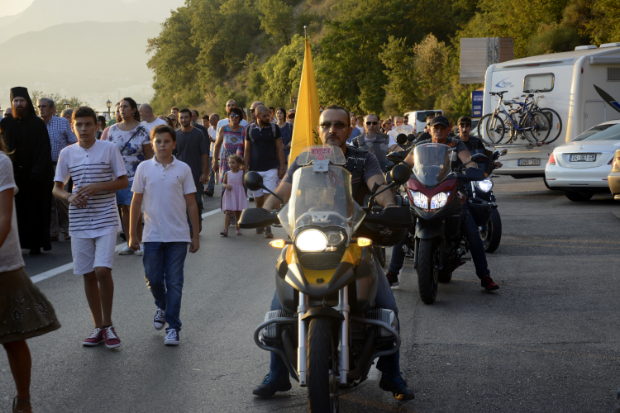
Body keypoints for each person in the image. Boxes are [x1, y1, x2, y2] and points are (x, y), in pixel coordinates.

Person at [252, 105, 415, 401]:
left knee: (387, 306)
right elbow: (284, 191)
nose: (332, 131)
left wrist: (391, 208)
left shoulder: (363, 159)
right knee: (281, 304)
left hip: (352, 241)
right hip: (305, 240)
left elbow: (379, 187)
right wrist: (262, 214)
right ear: (319, 128)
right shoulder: (303, 160)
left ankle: (392, 374)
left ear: (350, 127)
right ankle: (277, 375)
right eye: (326, 125)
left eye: (339, 125)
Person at [392, 115, 500, 291]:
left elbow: (467, 159)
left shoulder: (457, 145)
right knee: (403, 225)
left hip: (452, 192)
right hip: (424, 192)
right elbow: (406, 164)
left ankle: (485, 276)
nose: (439, 130)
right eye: (435, 128)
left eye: (442, 127)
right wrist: (397, 172)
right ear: (429, 130)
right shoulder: (420, 146)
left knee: (472, 232)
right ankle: (392, 272)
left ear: (449, 129)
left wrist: (471, 167)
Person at [52, 106, 129, 349]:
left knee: (102, 271)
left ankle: (108, 325)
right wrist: (69, 197)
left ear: (97, 126)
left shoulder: (109, 148)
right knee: (87, 274)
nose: (84, 129)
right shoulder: (67, 153)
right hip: (79, 220)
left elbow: (123, 181)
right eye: (79, 125)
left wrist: (98, 187)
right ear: (73, 127)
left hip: (105, 218)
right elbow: (56, 187)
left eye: (88, 124)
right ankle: (98, 327)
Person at [0, 131, 61, 413]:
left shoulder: (2, 163)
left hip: (3, 263)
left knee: (12, 337)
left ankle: (23, 401)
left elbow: (4, 219)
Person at [129, 124, 200, 346]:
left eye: (166, 141)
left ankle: (173, 327)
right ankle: (162, 305)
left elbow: (191, 203)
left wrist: (195, 235)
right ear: (152, 144)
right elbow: (136, 202)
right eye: (158, 141)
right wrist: (132, 233)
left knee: (175, 282)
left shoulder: (183, 169)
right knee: (153, 278)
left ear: (174, 144)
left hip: (178, 236)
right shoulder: (143, 168)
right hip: (151, 236)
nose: (162, 145)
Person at [1, 87, 54, 255]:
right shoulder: (5, 124)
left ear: (27, 102)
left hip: (33, 179)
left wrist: (36, 173)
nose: (18, 104)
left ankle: (35, 244)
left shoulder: (37, 124)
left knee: (34, 211)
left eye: (21, 100)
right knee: (12, 212)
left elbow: (43, 149)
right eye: (15, 101)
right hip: (11, 178)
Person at [105, 98, 154, 256]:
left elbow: (149, 156)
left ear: (134, 110)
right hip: (118, 176)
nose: (121, 110)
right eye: (120, 107)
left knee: (135, 209)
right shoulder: (112, 130)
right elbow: (106, 153)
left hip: (136, 175)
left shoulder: (142, 130)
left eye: (125, 107)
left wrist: (149, 176)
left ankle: (139, 242)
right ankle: (129, 242)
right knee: (123, 209)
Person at [37, 97, 78, 243]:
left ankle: (68, 229)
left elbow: (74, 141)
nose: (41, 109)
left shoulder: (62, 123)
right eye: (39, 106)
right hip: (43, 167)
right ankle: (52, 232)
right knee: (49, 200)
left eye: (44, 106)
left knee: (62, 198)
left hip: (60, 166)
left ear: (52, 109)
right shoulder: (36, 124)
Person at [244, 105, 285, 239]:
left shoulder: (274, 128)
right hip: (255, 169)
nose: (268, 118)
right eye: (264, 116)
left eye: (268, 115)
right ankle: (259, 221)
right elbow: (247, 150)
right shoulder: (249, 129)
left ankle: (267, 226)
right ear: (257, 116)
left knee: (268, 197)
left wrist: (282, 167)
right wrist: (245, 168)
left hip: (271, 167)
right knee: (258, 200)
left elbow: (280, 148)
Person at [174, 109, 209, 234]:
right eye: (181, 117)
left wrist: (205, 173)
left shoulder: (199, 134)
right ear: (179, 119)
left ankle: (197, 221)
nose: (184, 120)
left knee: (196, 200)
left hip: (195, 173)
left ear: (191, 118)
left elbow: (205, 154)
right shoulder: (176, 135)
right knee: (181, 202)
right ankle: (186, 227)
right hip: (178, 175)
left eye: (186, 117)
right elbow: (172, 155)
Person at [213, 107, 245, 186]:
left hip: (238, 162)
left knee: (238, 185)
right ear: (229, 117)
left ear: (240, 118)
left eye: (237, 116)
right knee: (225, 185)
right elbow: (217, 146)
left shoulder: (243, 130)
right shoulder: (224, 128)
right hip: (225, 161)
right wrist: (215, 161)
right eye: (232, 115)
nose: (234, 117)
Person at [220, 154, 247, 236]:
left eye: (233, 163)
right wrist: (226, 186)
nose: (231, 164)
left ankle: (237, 228)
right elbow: (223, 184)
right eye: (229, 162)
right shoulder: (227, 173)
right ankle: (225, 229)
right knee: (228, 212)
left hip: (238, 194)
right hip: (229, 194)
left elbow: (244, 183)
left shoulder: (242, 173)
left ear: (238, 164)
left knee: (237, 212)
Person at [204, 113, 219, 197]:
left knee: (222, 172)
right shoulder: (209, 129)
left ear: (217, 120)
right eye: (209, 120)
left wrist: (213, 140)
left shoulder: (221, 128)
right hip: (211, 153)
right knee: (211, 172)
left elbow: (222, 140)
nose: (210, 121)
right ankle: (210, 189)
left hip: (220, 153)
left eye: (211, 120)